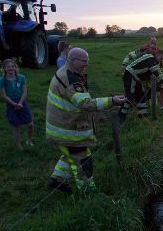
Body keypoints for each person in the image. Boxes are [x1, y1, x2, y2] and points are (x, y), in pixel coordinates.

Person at [46, 47, 126, 193]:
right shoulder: (71, 78)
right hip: (67, 129)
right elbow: (85, 103)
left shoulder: (67, 72)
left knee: (71, 154)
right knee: (83, 159)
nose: (86, 64)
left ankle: (56, 179)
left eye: (87, 61)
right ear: (73, 60)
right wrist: (112, 101)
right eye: (83, 61)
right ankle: (88, 192)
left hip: (61, 126)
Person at [118, 49, 163, 122]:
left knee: (141, 96)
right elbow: (156, 71)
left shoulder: (154, 62)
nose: (161, 60)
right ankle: (121, 115)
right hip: (130, 75)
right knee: (130, 97)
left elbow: (158, 71)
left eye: (162, 59)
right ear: (157, 55)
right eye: (161, 58)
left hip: (137, 79)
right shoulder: (149, 57)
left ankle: (142, 115)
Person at [121, 36, 163, 110]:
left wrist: (161, 82)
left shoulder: (157, 53)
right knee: (134, 93)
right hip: (136, 74)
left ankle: (159, 105)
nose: (154, 43)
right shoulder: (142, 50)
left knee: (156, 88)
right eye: (152, 41)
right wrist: (124, 64)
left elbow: (158, 70)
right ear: (148, 42)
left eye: (155, 41)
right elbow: (130, 55)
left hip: (146, 76)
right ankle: (133, 104)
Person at [0, 59, 34, 148]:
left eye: (12, 66)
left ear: (15, 67)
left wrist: (20, 103)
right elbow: (4, 95)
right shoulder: (1, 80)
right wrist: (14, 104)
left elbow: (25, 92)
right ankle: (18, 146)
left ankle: (29, 141)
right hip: (11, 103)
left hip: (22, 102)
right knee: (16, 125)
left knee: (30, 123)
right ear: (4, 69)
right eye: (8, 67)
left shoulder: (21, 77)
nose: (11, 68)